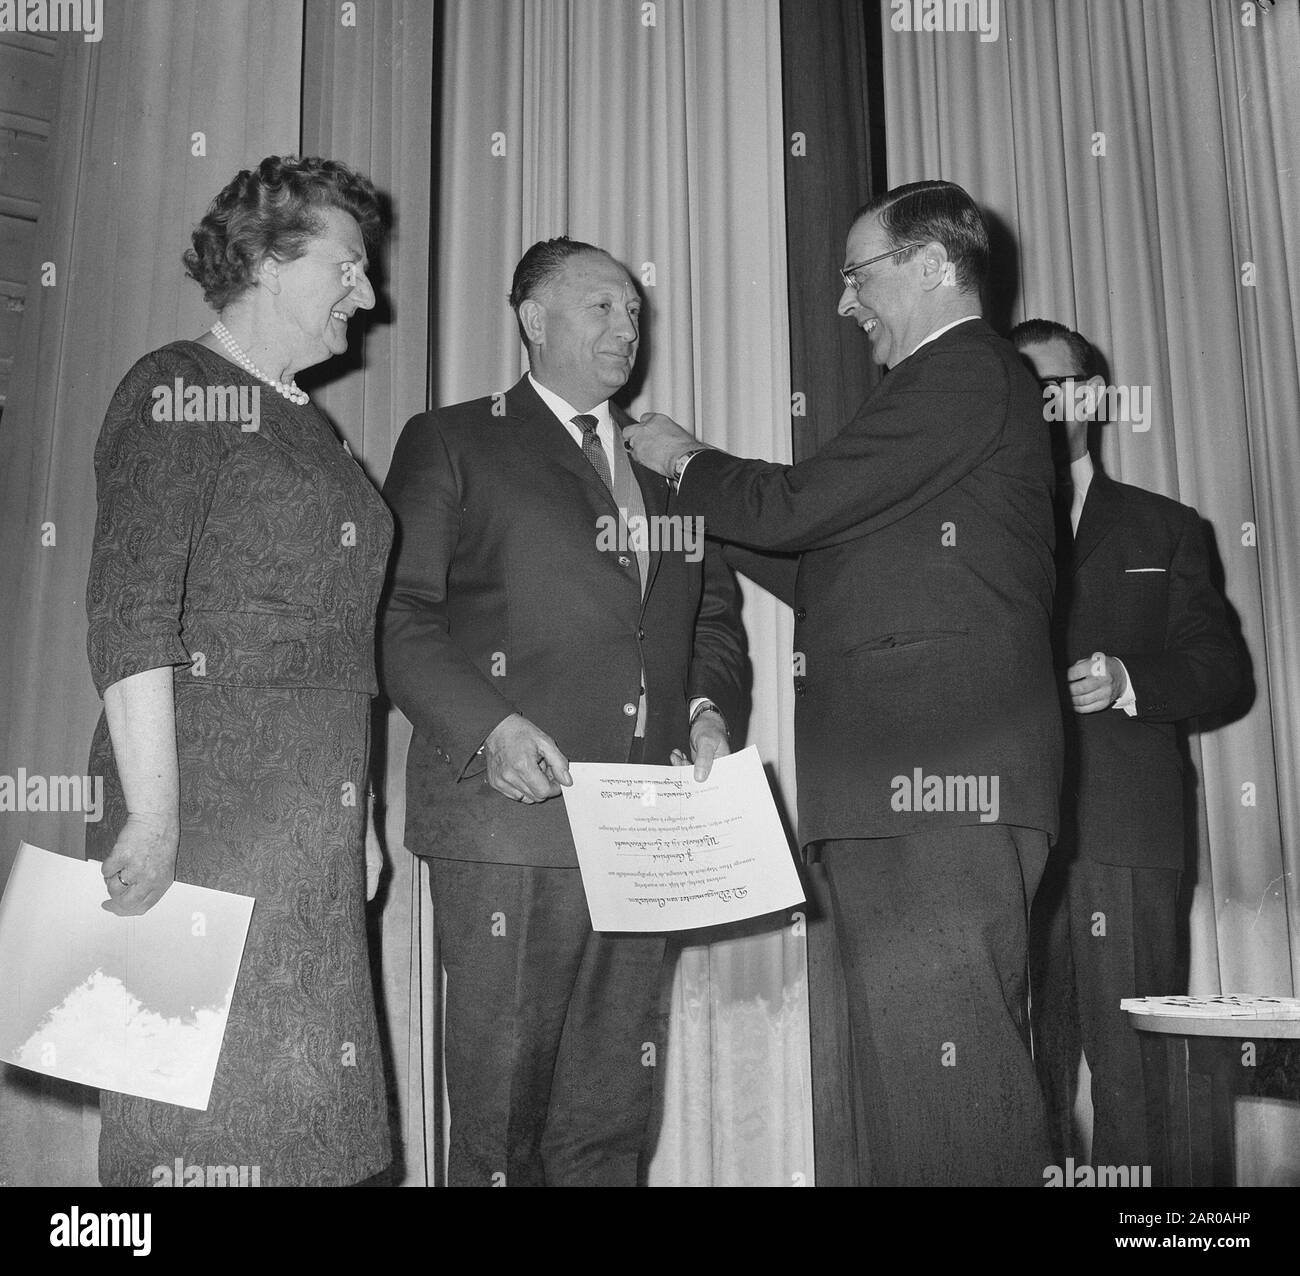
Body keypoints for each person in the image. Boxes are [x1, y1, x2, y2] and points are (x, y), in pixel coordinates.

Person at [624, 180, 1062, 1185]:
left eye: (858, 274)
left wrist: (687, 460)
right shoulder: (950, 398)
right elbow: (821, 560)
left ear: (933, 267)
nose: (845, 301)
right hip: (905, 795)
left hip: (939, 791)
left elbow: (794, 505)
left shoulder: (959, 373)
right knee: (919, 1098)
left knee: (955, 1103)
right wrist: (707, 515)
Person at [381, 236, 748, 1187]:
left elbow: (709, 618)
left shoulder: (667, 465)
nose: (627, 327)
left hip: (646, 829)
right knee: (505, 1116)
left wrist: (707, 712)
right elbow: (397, 615)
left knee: (610, 1119)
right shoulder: (454, 438)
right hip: (513, 823)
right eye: (602, 307)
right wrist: (489, 727)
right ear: (532, 321)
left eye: (634, 311)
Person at [85, 155, 392, 1186]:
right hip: (210, 807)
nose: (369, 291)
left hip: (307, 818)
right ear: (264, 260)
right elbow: (131, 612)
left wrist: (363, 819)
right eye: (347, 265)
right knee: (195, 1126)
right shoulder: (179, 385)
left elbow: (344, 642)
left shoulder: (306, 420)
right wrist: (155, 816)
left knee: (306, 1123)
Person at [1011, 318, 1243, 1175]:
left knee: (1136, 1080)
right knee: (1013, 1083)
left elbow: (1221, 670)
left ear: (1092, 397)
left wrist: (1126, 677)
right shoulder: (972, 533)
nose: (1037, 405)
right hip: (1005, 837)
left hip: (1126, 837)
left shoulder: (1164, 527)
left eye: (1053, 386)